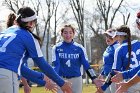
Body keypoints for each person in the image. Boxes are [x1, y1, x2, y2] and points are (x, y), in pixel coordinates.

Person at [0, 7, 72, 93]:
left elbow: (21, 69)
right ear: (30, 22)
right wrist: (62, 83)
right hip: (6, 75)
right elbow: (42, 64)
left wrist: (42, 78)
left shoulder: (5, 32)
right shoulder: (27, 36)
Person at [6, 12, 59, 93]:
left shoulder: (6, 35)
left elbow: (20, 69)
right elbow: (21, 68)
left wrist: (26, 85)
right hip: (8, 76)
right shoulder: (23, 37)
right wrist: (43, 78)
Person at [52, 24, 103, 93]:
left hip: (76, 79)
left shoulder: (80, 48)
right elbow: (56, 65)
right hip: (61, 79)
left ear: (73, 34)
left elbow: (86, 65)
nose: (68, 35)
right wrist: (55, 79)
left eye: (70, 32)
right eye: (65, 32)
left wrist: (94, 78)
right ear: (62, 34)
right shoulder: (56, 47)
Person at [111, 11, 140, 93]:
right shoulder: (138, 43)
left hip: (131, 82)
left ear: (120, 36)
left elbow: (115, 72)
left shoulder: (119, 49)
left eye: (116, 36)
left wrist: (105, 85)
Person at [98, 28, 119, 93]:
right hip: (107, 77)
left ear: (116, 37)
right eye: (107, 36)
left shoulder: (117, 47)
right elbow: (106, 63)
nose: (108, 38)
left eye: (110, 36)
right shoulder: (108, 47)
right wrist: (102, 73)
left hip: (114, 77)